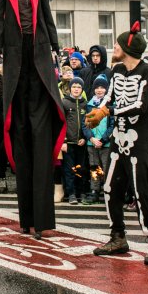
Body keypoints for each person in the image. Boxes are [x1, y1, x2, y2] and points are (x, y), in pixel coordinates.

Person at [0, 0, 64, 239]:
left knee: (40, 130)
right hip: (16, 55)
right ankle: (26, 219)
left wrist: (55, 48)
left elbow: (47, 19)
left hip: (39, 54)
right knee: (20, 130)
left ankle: (42, 219)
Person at [87, 21, 148, 265]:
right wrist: (97, 110)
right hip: (117, 142)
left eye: (118, 44)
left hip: (139, 143)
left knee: (143, 193)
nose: (114, 48)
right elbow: (109, 96)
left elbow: (141, 106)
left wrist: (107, 112)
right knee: (110, 190)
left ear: (127, 49)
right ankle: (118, 236)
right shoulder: (117, 70)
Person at [83, 75, 113, 204]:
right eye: (97, 88)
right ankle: (95, 190)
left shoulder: (110, 105)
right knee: (94, 167)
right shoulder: (89, 105)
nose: (99, 90)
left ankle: (108, 190)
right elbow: (85, 124)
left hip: (105, 143)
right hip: (92, 142)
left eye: (102, 88)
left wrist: (103, 139)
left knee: (106, 167)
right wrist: (92, 138)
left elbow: (113, 125)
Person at [61, 77, 88, 205]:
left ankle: (81, 192)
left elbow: (87, 123)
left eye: (79, 87)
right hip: (69, 142)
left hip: (81, 142)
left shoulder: (85, 103)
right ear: (70, 88)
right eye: (74, 87)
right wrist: (63, 141)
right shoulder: (65, 102)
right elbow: (61, 123)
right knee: (69, 169)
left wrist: (85, 137)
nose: (76, 89)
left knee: (81, 168)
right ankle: (71, 193)